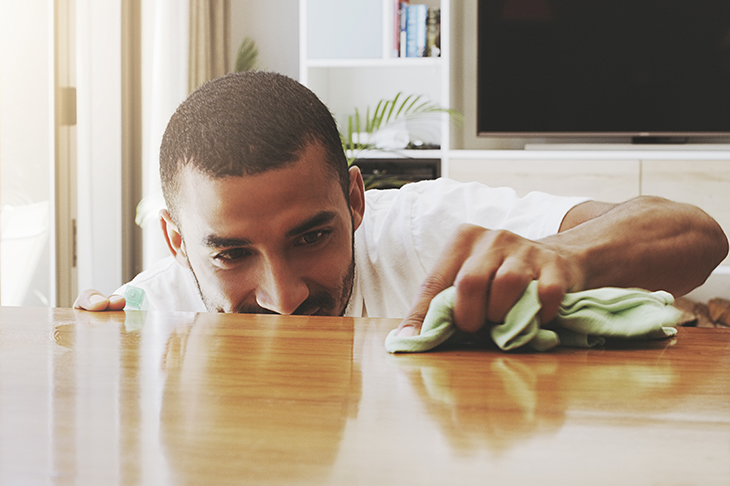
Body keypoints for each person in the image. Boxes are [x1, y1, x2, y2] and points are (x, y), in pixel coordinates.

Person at [74, 71, 728, 338]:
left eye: (310, 237)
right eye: (232, 254)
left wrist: (561, 257)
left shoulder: (429, 225)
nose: (284, 296)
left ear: (356, 198)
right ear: (176, 242)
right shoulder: (145, 320)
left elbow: (695, 234)